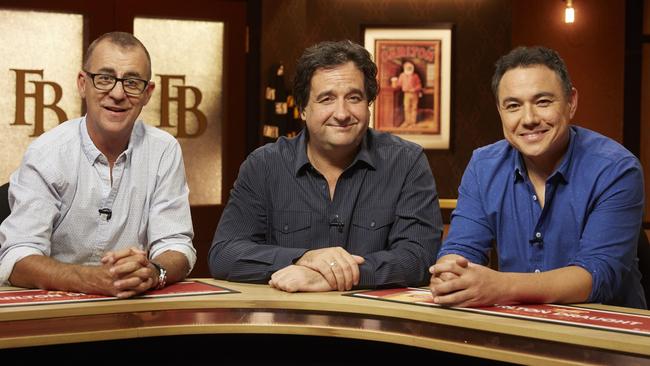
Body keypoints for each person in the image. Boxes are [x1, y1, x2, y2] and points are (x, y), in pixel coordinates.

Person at [209, 40, 443, 293]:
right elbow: (224, 255)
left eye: (354, 98)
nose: (342, 113)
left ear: (368, 104)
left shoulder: (406, 161)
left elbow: (419, 257)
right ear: (303, 109)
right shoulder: (264, 165)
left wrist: (331, 277)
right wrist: (304, 258)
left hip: (376, 327)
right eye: (326, 99)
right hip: (286, 324)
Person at [429, 46, 646, 309]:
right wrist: (450, 273)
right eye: (513, 106)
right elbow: (462, 247)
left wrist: (502, 287)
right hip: (520, 331)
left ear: (571, 102)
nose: (529, 119)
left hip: (607, 336)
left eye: (543, 102)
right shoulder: (483, 166)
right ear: (500, 111)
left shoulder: (616, 168)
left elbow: (599, 274)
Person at [0, 32, 196, 298]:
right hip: (56, 312)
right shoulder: (47, 153)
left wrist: (153, 271)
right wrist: (92, 279)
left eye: (132, 82)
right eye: (104, 78)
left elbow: (176, 244)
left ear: (147, 93)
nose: (117, 93)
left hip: (133, 311)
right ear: (83, 84)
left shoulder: (164, 150)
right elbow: (17, 258)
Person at [391, 60, 422, 128]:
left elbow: (419, 85)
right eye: (407, 67)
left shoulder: (415, 76)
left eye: (410, 67)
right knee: (406, 108)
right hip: (406, 94)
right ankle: (407, 122)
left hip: (414, 94)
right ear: (404, 68)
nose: (408, 69)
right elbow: (399, 84)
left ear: (412, 68)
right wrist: (394, 83)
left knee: (414, 108)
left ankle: (413, 123)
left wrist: (414, 89)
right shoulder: (402, 75)